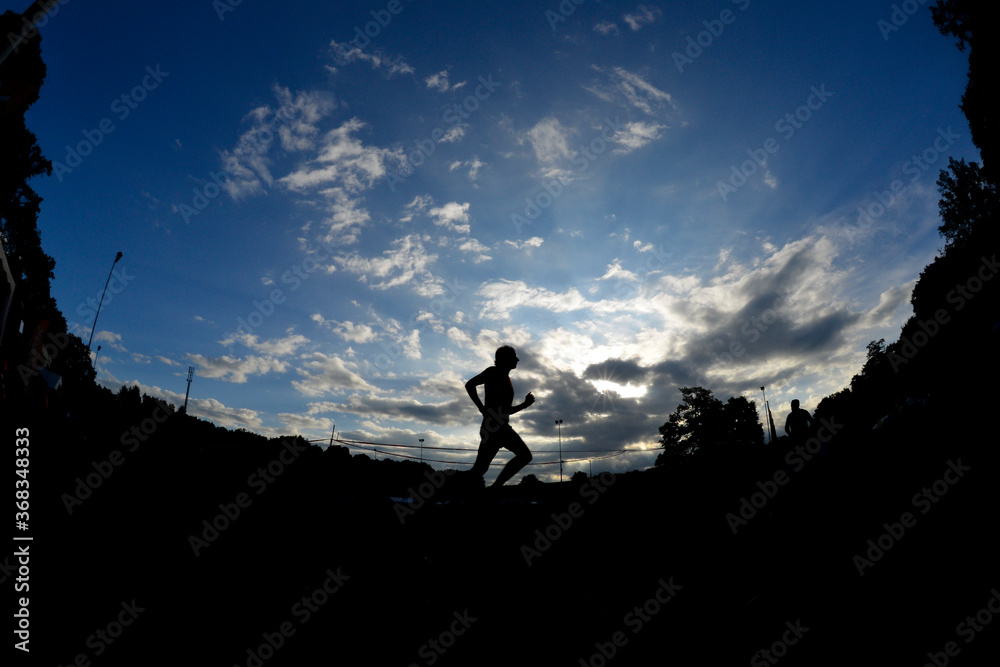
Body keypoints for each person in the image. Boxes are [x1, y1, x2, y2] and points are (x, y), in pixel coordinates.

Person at [465, 345, 534, 489]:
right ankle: (495, 488)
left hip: (496, 427)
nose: (517, 359)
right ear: (506, 359)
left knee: (479, 470)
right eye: (514, 356)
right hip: (495, 428)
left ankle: (449, 488)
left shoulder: (505, 378)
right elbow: (470, 385)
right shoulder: (493, 372)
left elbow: (506, 411)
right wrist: (481, 408)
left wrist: (525, 404)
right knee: (525, 456)